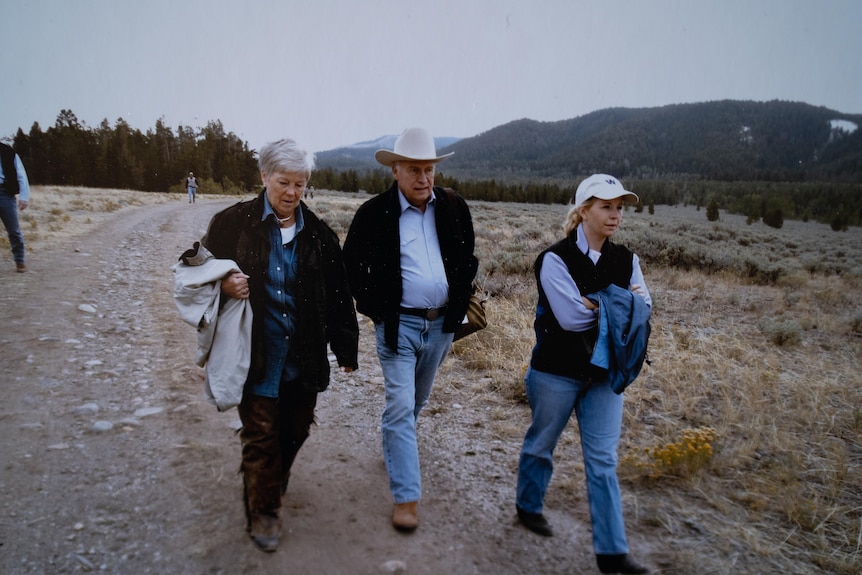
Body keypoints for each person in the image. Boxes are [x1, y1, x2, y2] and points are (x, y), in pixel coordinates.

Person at [198, 138, 359, 552]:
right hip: (253, 353)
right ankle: (264, 510)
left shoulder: (320, 235)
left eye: (299, 184)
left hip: (302, 355)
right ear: (264, 176)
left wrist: (345, 349)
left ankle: (269, 475)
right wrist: (223, 281)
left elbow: (338, 294)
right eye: (283, 182)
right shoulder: (231, 223)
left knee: (296, 427)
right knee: (260, 434)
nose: (291, 193)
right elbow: (196, 278)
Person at [342, 127, 478, 532]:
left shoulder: (453, 206)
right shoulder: (373, 212)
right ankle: (406, 497)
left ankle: (395, 445)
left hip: (441, 328)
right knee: (401, 406)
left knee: (414, 404)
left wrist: (456, 310)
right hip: (397, 326)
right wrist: (377, 310)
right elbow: (350, 268)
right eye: (415, 170)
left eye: (429, 169)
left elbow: (467, 258)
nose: (424, 178)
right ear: (396, 171)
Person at [515, 174, 652, 574]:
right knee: (541, 444)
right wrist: (618, 301)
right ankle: (528, 506)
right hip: (555, 372)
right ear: (583, 211)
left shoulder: (628, 259)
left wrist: (599, 302)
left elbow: (645, 308)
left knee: (603, 461)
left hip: (605, 376)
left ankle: (612, 554)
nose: (616, 215)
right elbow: (573, 319)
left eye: (620, 207)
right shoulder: (553, 259)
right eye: (606, 206)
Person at [0, 142, 31, 273]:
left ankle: (20, 261)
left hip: (5, 194)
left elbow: (21, 174)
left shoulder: (7, 151)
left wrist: (24, 196)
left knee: (14, 231)